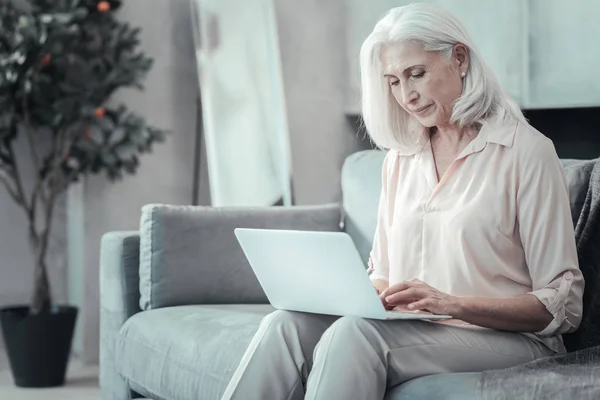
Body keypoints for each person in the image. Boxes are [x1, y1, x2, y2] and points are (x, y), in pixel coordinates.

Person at [221, 3, 584, 400]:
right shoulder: (400, 159)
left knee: (356, 334)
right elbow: (383, 272)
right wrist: (357, 293)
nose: (406, 95)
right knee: (285, 325)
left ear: (459, 59)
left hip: (506, 340)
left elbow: (560, 306)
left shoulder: (526, 152)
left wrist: (452, 303)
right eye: (393, 81)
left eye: (417, 74)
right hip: (416, 330)